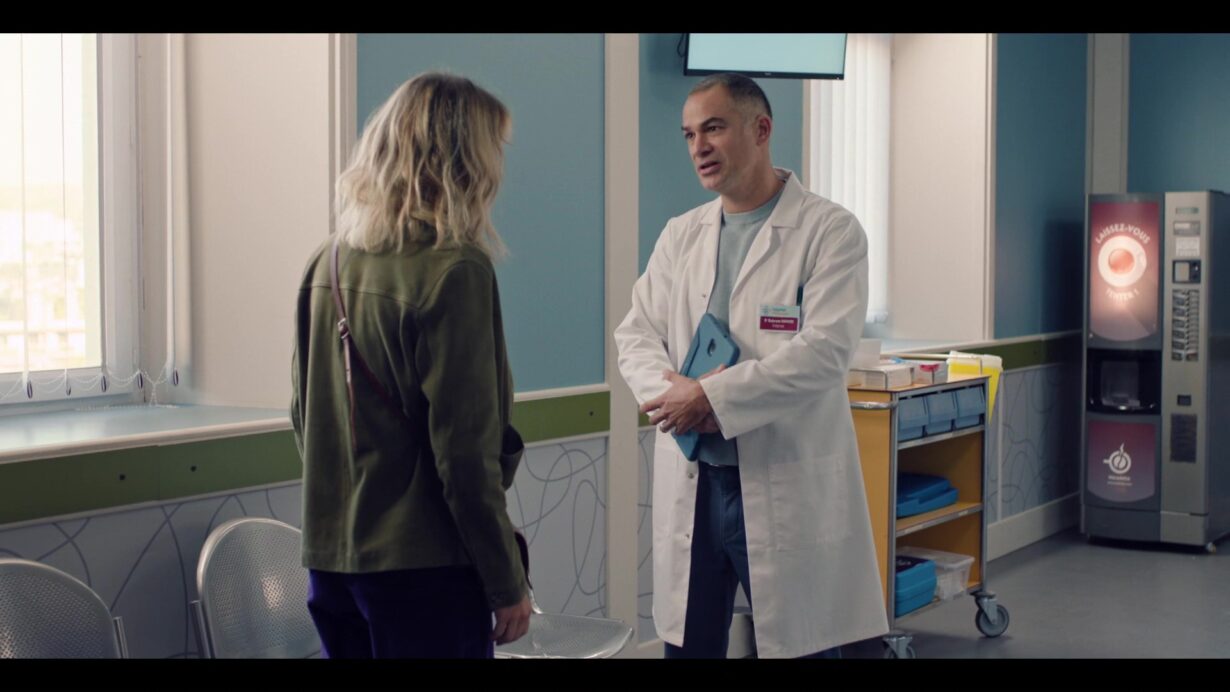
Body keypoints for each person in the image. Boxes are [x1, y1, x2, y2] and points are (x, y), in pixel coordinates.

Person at [614, 73, 889, 658]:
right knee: (689, 646)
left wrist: (710, 399)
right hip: (696, 481)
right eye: (689, 134)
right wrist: (675, 398)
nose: (699, 147)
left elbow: (823, 352)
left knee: (799, 643)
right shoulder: (681, 235)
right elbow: (635, 333)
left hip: (782, 476)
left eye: (713, 128)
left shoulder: (829, 231)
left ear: (761, 130)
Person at [290, 72, 531, 658]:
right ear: (463, 160)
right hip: (424, 571)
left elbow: (304, 416)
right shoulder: (456, 269)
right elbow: (465, 457)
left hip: (332, 565)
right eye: (493, 149)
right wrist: (506, 582)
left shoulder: (328, 260)